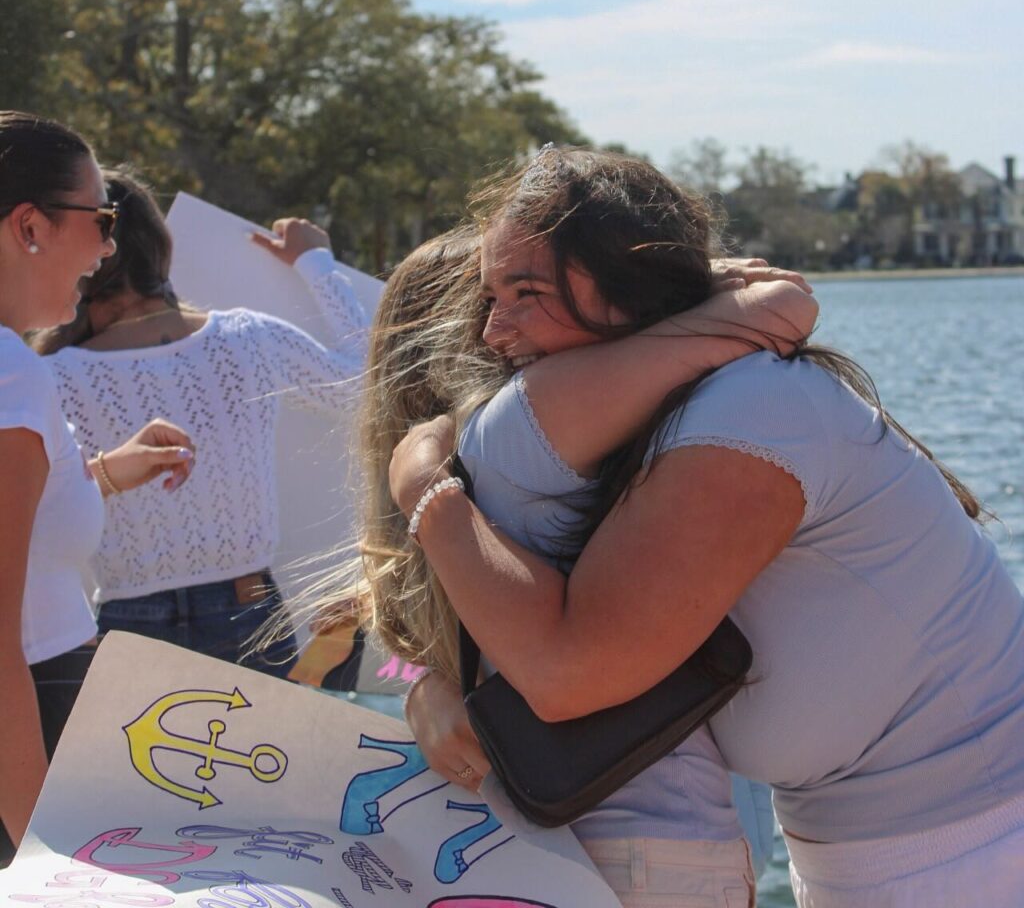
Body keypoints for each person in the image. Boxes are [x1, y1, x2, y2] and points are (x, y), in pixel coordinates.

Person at [389, 147, 1024, 907]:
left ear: (632, 286)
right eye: (491, 296)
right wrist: (440, 684)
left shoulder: (749, 410)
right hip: (900, 855)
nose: (495, 330)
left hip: (982, 850)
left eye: (527, 292)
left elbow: (568, 676)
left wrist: (428, 496)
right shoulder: (647, 417)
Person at [341, 201, 816, 906]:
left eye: (527, 294)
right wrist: (689, 286)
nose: (509, 322)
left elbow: (421, 631)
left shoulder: (435, 469)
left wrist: (429, 680)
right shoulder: (550, 434)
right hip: (664, 829)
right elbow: (781, 306)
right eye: (497, 299)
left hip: (508, 838)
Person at [33, 168, 370, 678]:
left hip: (127, 627)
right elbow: (366, 388)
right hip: (247, 611)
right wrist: (315, 263)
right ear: (159, 246)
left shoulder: (50, 375)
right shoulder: (249, 338)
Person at [0, 112, 196, 862]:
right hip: (30, 732)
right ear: (30, 227)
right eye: (101, 219)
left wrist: (105, 474)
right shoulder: (12, 376)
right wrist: (41, 860)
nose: (109, 246)